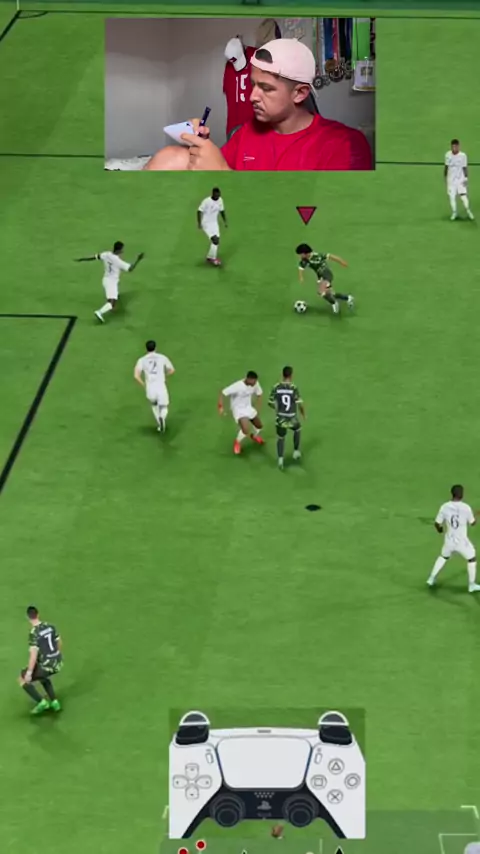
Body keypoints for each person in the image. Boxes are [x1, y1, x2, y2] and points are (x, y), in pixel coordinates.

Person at [144, 39, 372, 172]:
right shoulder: (247, 132)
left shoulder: (344, 144)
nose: (252, 96)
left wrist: (222, 174)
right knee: (171, 156)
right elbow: (214, 165)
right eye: (253, 84)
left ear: (299, 93)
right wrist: (201, 147)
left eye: (266, 88)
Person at [427, 484, 480, 593]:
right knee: (472, 559)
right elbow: (472, 523)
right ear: (462, 494)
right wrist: (477, 514)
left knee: (443, 557)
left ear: (452, 494)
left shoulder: (444, 507)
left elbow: (437, 523)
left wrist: (440, 530)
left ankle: (431, 578)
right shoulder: (466, 508)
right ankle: (471, 585)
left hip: (449, 540)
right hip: (462, 542)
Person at [75, 241, 144, 323]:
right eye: (122, 249)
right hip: (111, 282)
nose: (123, 251)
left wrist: (82, 259)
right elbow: (130, 269)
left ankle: (111, 302)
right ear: (119, 250)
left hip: (106, 279)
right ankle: (99, 312)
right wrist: (138, 259)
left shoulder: (106, 254)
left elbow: (95, 257)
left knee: (114, 296)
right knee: (112, 303)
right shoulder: (118, 261)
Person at [18, 606, 63, 715]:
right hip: (58, 663)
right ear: (38, 614)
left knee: (22, 678)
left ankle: (42, 702)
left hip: (46, 666)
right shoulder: (50, 626)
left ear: (28, 617)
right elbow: (59, 642)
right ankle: (55, 701)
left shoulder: (34, 633)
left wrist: (29, 673)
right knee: (42, 674)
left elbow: (33, 656)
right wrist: (55, 655)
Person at [296, 243, 354, 315]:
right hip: (320, 277)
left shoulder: (317, 256)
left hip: (326, 274)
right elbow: (301, 268)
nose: (300, 256)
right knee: (330, 294)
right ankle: (348, 298)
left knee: (321, 291)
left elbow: (331, 256)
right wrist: (301, 277)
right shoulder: (304, 261)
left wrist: (342, 262)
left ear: (305, 253)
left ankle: (334, 303)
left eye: (300, 254)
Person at [218, 371, 265, 455]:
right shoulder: (237, 386)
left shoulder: (255, 384)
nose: (255, 383)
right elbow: (223, 392)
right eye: (253, 381)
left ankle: (254, 436)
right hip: (238, 410)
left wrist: (257, 408)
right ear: (248, 379)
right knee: (246, 429)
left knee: (259, 426)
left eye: (255, 381)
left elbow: (259, 394)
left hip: (248, 408)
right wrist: (220, 406)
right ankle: (237, 442)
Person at [268, 366, 305, 470]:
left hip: (281, 418)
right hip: (292, 417)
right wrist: (303, 414)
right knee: (297, 429)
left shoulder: (276, 387)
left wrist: (277, 409)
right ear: (291, 375)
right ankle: (296, 451)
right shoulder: (293, 387)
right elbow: (299, 403)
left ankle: (280, 459)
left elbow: (270, 402)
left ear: (282, 374)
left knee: (281, 437)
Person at [134, 340, 175, 432]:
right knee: (164, 406)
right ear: (155, 347)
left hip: (150, 387)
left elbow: (136, 376)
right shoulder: (162, 357)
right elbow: (172, 370)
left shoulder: (142, 360)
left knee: (154, 405)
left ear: (146, 349)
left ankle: (160, 424)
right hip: (160, 385)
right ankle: (162, 418)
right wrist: (164, 376)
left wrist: (144, 384)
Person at [444, 139, 474, 221]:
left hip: (460, 180)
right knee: (452, 197)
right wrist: (445, 178)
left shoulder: (463, 155)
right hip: (451, 180)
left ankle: (468, 210)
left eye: (456, 146)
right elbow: (446, 167)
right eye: (453, 146)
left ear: (458, 146)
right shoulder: (447, 155)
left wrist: (466, 178)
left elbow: (464, 167)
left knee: (463, 197)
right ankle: (454, 212)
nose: (454, 148)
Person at [197, 188, 228, 266]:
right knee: (215, 240)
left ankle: (209, 257)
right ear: (212, 194)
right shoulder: (206, 201)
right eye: (216, 195)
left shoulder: (220, 200)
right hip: (206, 223)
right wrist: (199, 223)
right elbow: (199, 211)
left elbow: (222, 211)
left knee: (216, 241)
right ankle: (213, 259)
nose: (217, 196)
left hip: (214, 223)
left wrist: (225, 221)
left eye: (219, 195)